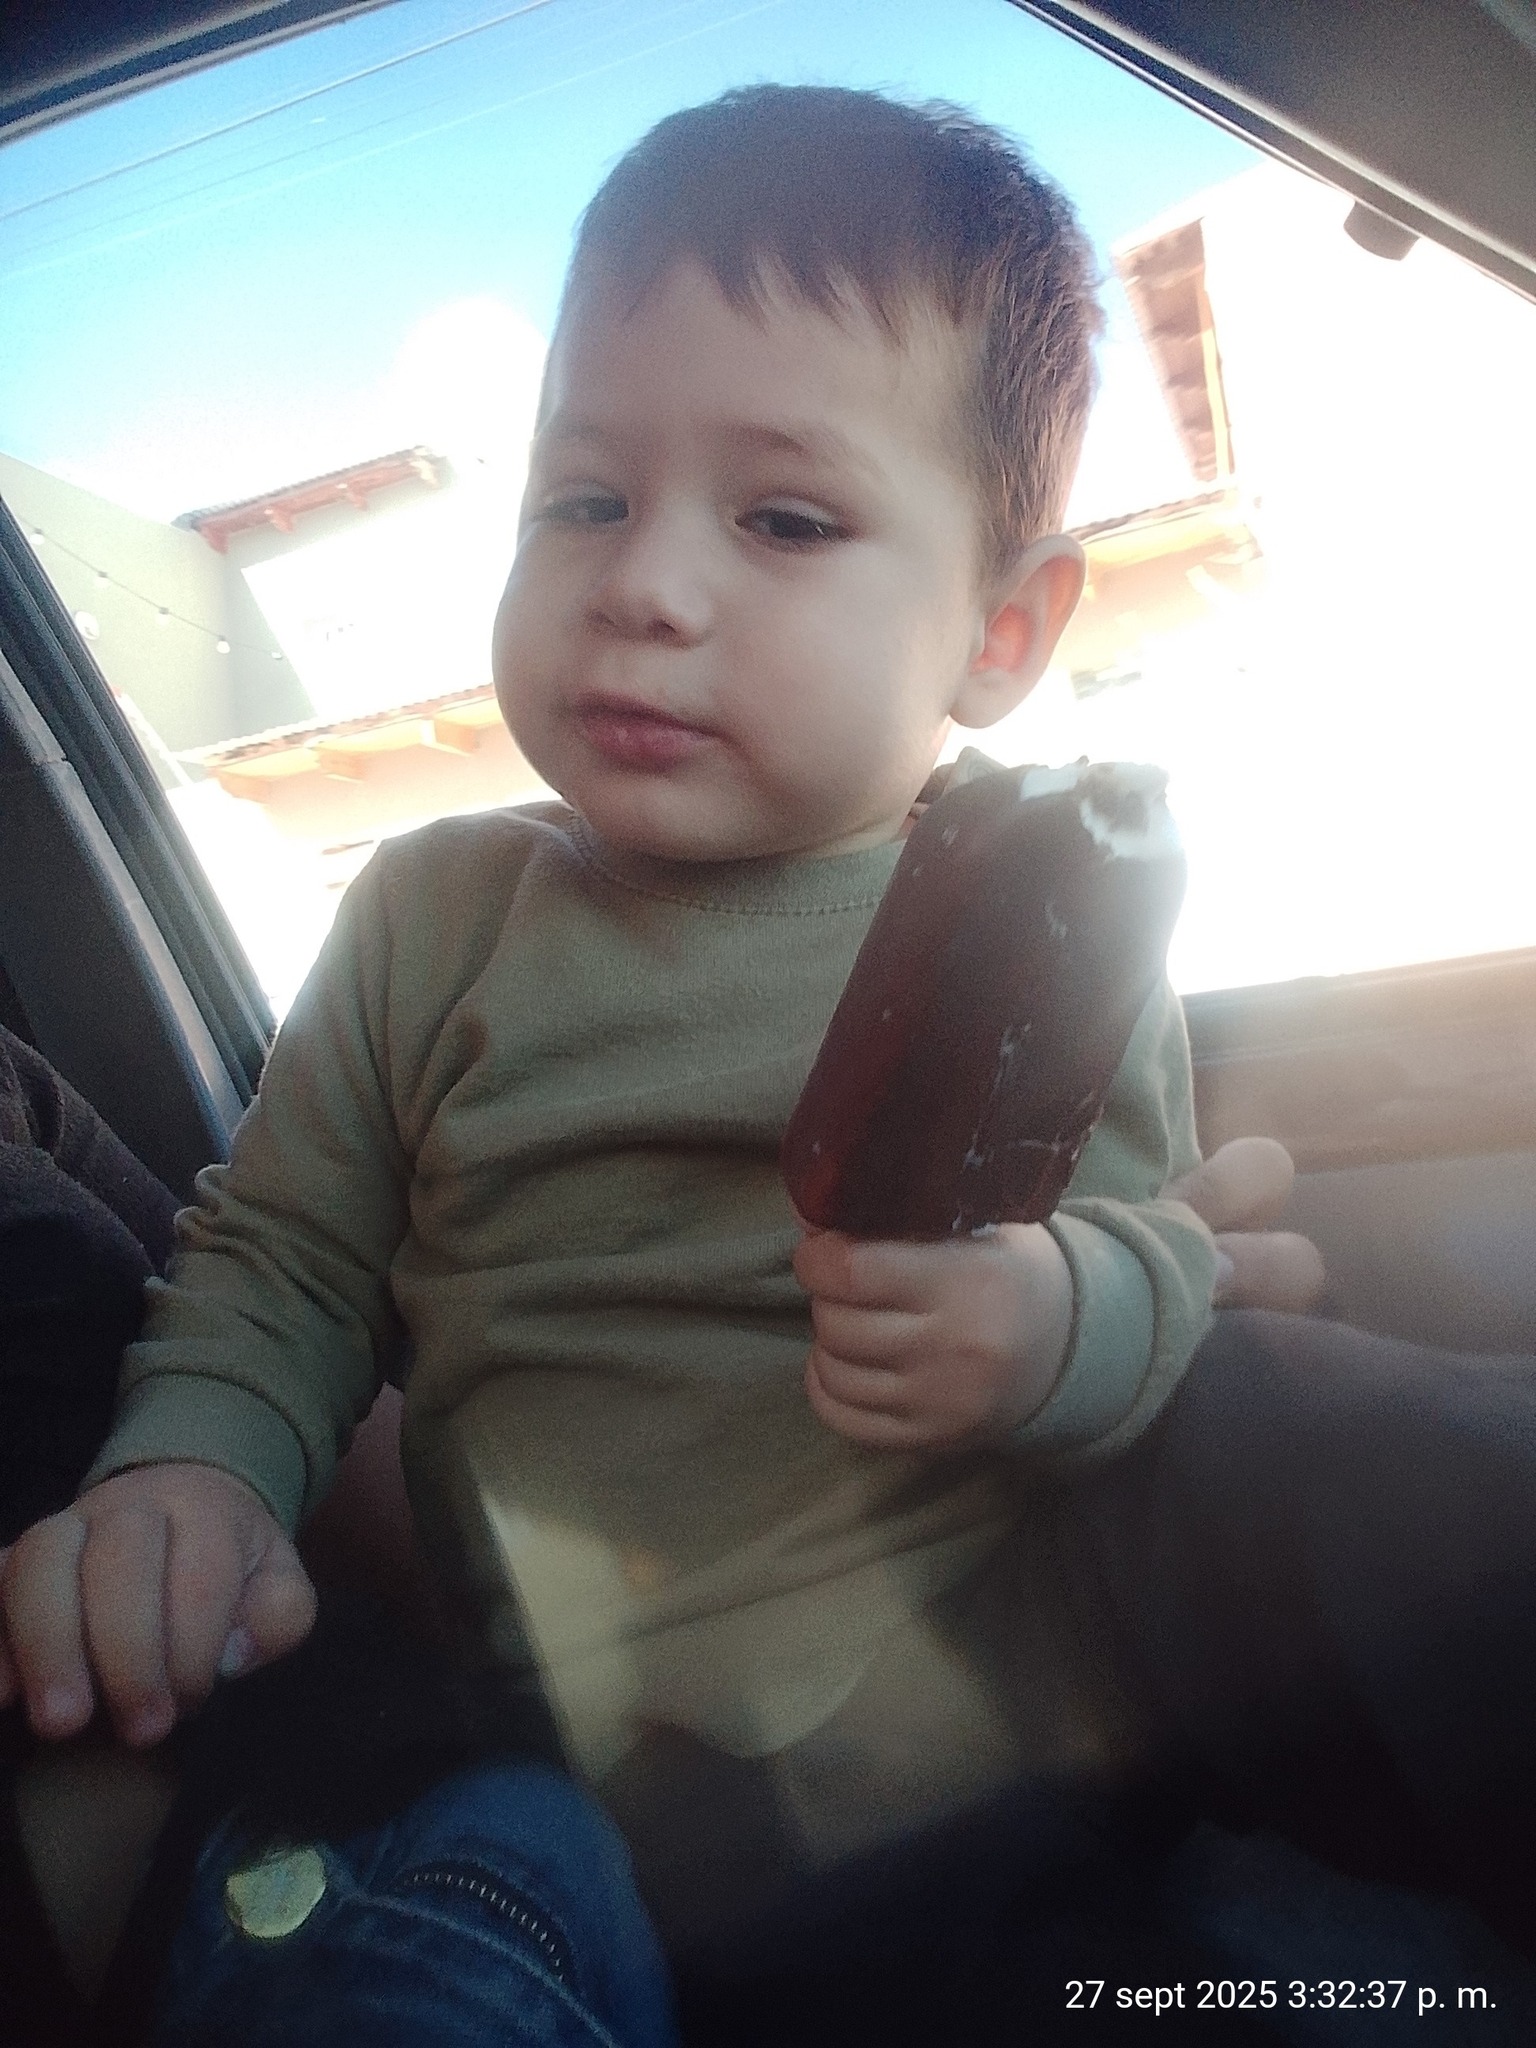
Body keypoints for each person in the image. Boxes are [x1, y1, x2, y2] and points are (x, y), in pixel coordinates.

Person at [2, 84, 1532, 2009]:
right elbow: (285, 1262)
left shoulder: (1035, 908)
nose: (645, 583)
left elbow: (1154, 1245)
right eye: (583, 499)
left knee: (1304, 1443)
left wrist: (1051, 1319)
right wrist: (194, 1472)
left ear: (1000, 630)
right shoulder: (437, 915)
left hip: (1009, 1647)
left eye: (784, 519)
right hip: (612, 1749)